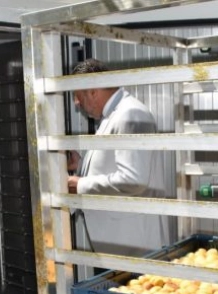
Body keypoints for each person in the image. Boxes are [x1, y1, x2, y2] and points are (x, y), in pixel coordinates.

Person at [69, 59, 171, 259]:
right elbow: (115, 166)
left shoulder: (130, 114)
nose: (76, 103)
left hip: (135, 244)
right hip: (124, 242)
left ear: (93, 91)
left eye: (78, 95)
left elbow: (133, 180)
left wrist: (79, 185)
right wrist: (80, 164)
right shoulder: (113, 115)